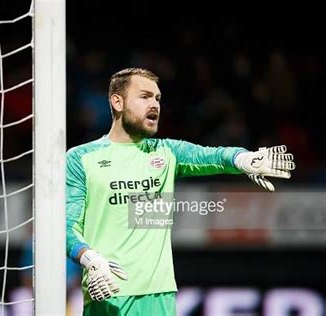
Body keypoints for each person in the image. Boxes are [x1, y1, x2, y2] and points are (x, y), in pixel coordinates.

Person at [66, 68, 296, 315]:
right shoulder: (81, 158)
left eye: (158, 99)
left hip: (160, 296)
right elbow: (67, 227)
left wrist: (243, 159)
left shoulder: (166, 152)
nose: (154, 105)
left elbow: (212, 156)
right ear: (117, 101)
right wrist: (90, 259)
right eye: (144, 96)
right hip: (108, 291)